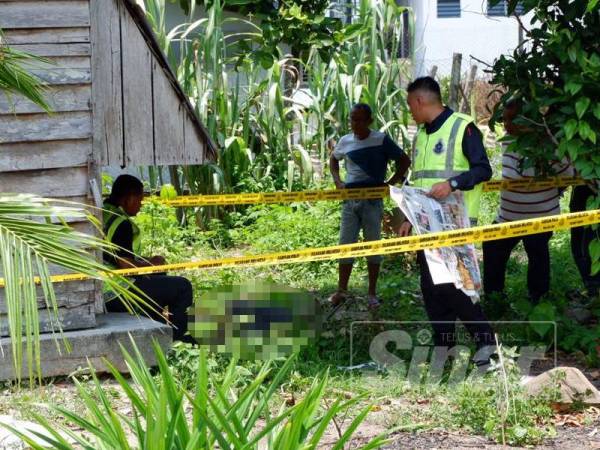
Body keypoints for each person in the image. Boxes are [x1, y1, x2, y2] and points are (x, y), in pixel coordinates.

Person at [398, 77, 495, 363]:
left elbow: (484, 170)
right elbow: (417, 182)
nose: (410, 113)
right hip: (426, 225)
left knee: (456, 289)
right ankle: (446, 351)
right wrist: (407, 217)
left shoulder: (462, 127)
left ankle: (487, 348)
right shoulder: (422, 136)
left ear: (419, 101)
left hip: (455, 224)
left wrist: (453, 183)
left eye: (410, 106)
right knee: (432, 290)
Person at [482, 99, 573, 307]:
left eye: (511, 119)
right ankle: (495, 299)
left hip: (541, 216)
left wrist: (550, 193)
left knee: (537, 253)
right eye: (503, 119)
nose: (506, 124)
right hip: (508, 216)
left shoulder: (547, 143)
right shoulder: (507, 140)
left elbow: (568, 173)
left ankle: (538, 300)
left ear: (528, 120)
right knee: (492, 245)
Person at [329, 103, 411, 309]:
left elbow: (404, 161)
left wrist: (390, 183)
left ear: (369, 121)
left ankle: (372, 293)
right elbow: (333, 159)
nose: (355, 124)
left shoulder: (381, 140)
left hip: (373, 202)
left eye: (359, 120)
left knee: (373, 247)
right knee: (345, 245)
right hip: (350, 201)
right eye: (352, 119)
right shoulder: (345, 141)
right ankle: (341, 291)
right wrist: (338, 182)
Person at [103, 174, 194, 342]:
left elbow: (114, 255)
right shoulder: (121, 223)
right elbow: (125, 266)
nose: (141, 205)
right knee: (182, 286)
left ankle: (156, 326)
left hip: (102, 288)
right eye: (139, 199)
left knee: (158, 277)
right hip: (116, 293)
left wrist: (147, 263)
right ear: (129, 198)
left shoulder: (104, 212)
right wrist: (151, 264)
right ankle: (177, 339)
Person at [570, 183, 600, 298]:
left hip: (586, 195)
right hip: (582, 193)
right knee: (581, 243)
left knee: (584, 244)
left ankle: (594, 289)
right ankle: (592, 288)